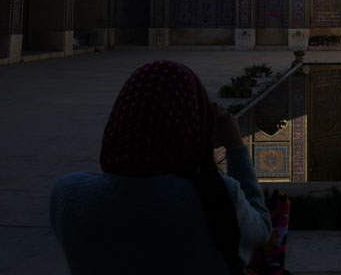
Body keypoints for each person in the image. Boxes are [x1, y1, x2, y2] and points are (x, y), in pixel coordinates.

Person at [50, 60, 272, 274]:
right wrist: (235, 145)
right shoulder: (217, 199)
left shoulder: (68, 196)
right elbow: (260, 227)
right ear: (190, 125)